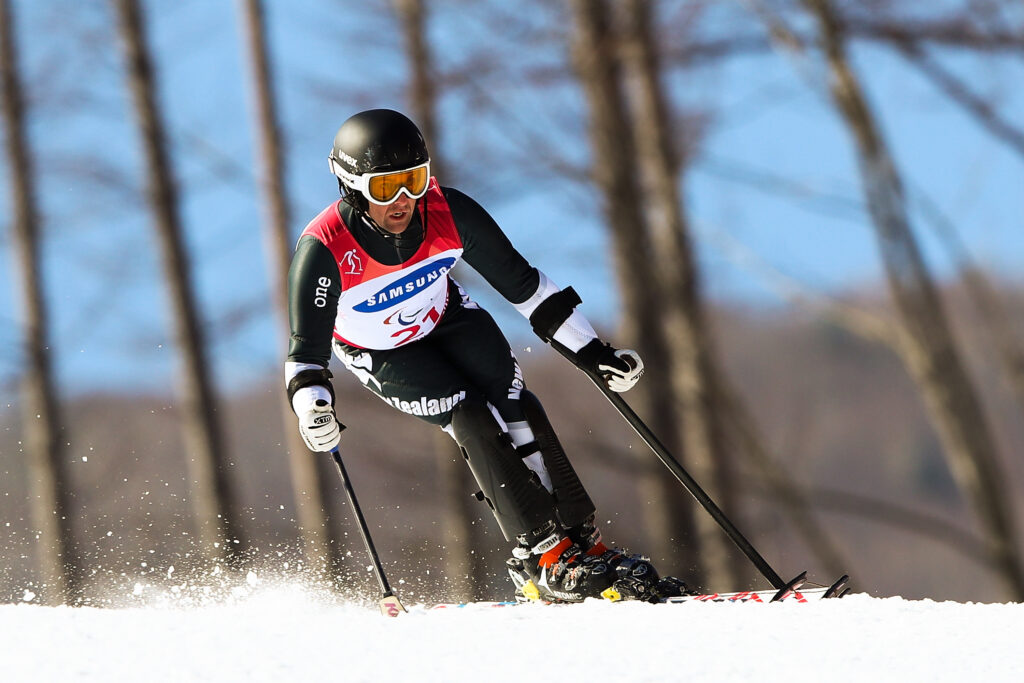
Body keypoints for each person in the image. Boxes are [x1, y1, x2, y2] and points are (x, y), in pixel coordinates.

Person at [285, 108, 688, 603]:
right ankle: (539, 554)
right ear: (352, 187)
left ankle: (580, 540)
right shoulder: (324, 248)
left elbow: (526, 287)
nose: (406, 200)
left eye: (415, 180)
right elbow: (305, 355)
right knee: (470, 414)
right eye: (387, 188)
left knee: (516, 402)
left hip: (447, 317)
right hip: (379, 351)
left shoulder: (448, 211)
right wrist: (313, 411)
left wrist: (593, 352)